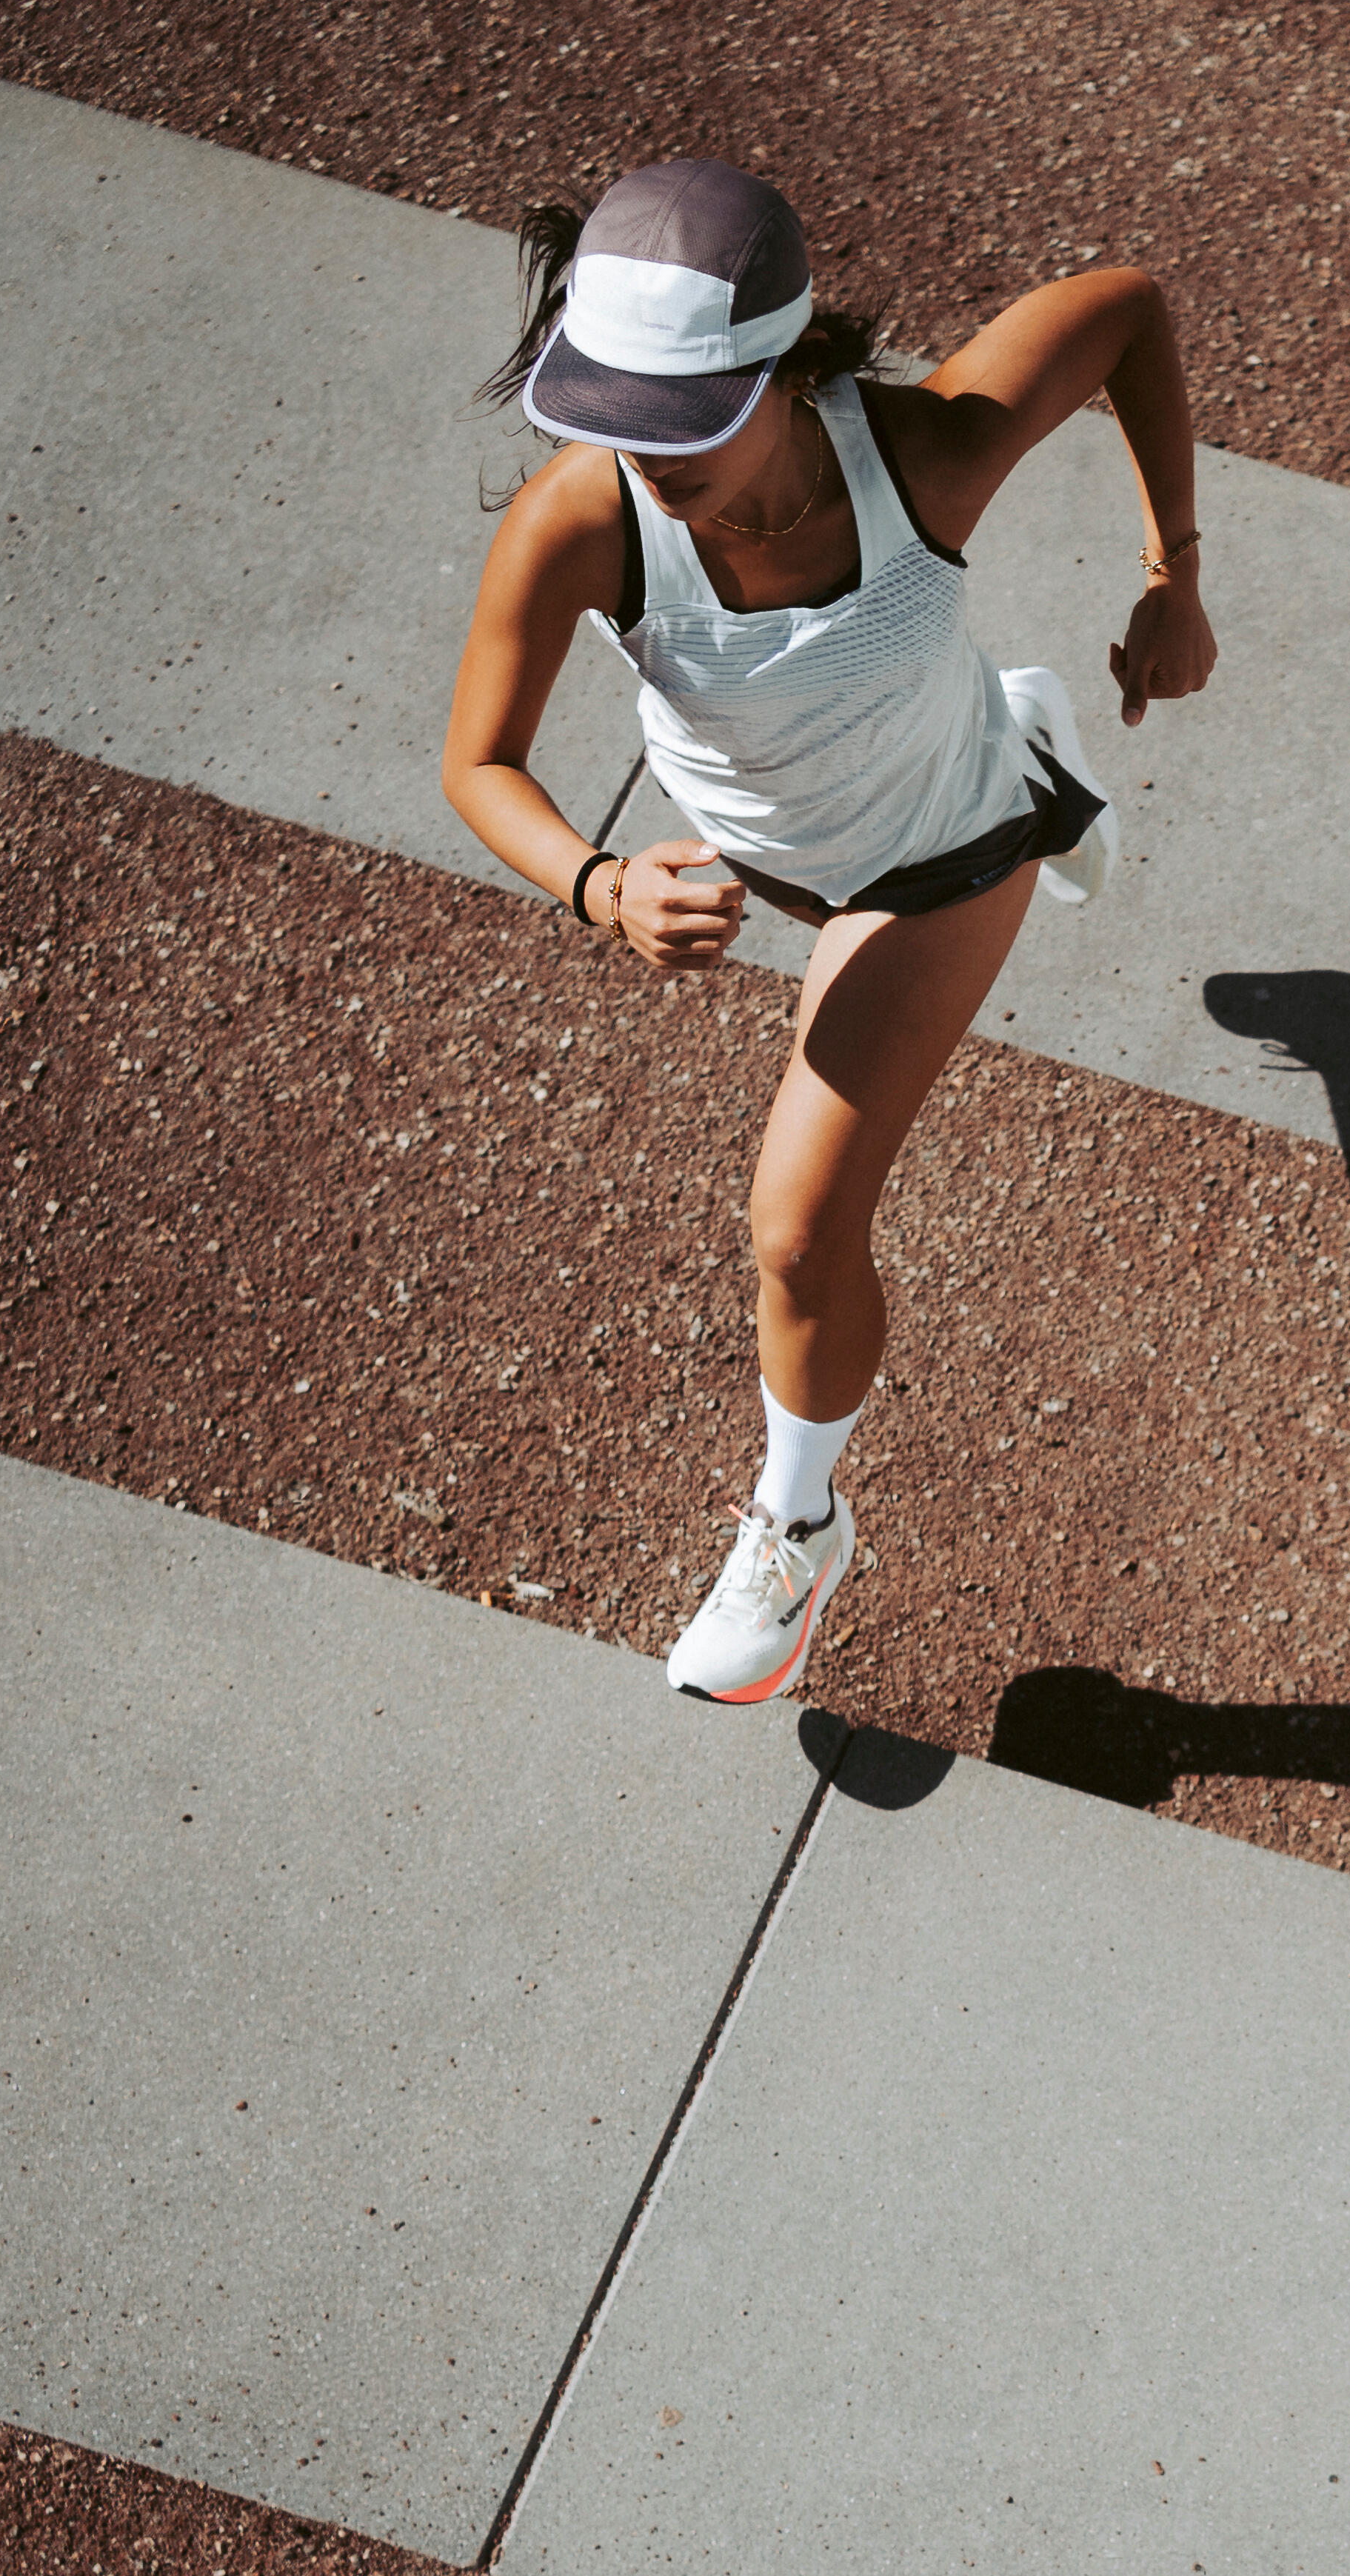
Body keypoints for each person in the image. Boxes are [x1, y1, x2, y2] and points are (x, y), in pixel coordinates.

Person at [441, 153, 1216, 1704]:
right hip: (775, 845)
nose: (646, 459)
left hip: (932, 859)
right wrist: (599, 884)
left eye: (684, 424)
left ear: (789, 367)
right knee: (939, 742)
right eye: (612, 415)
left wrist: (1172, 579)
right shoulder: (580, 519)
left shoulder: (922, 455)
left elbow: (1127, 308)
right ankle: (1025, 739)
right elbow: (479, 760)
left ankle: (797, 1523)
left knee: (797, 1228)